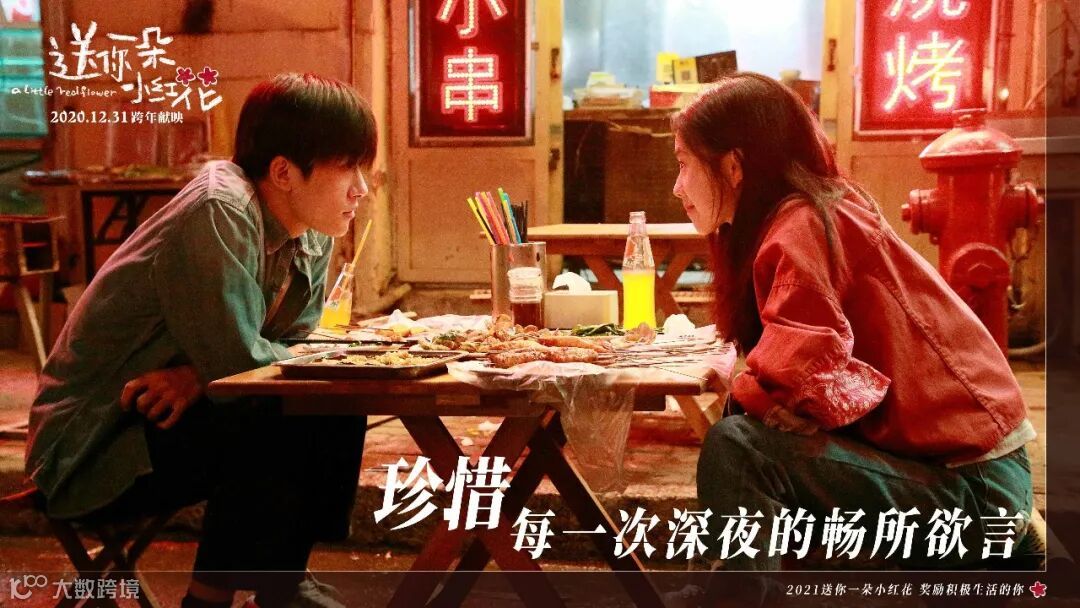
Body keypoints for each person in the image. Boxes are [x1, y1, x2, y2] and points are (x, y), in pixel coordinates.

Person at [25, 72, 378, 608]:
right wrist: (217, 368)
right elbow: (245, 365)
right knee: (274, 411)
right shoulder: (220, 210)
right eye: (346, 168)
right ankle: (210, 599)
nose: (361, 188)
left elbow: (293, 346)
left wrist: (198, 373)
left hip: (181, 415)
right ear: (283, 171)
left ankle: (282, 584)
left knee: (332, 396)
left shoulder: (310, 224)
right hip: (95, 443)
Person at [671, 73, 1036, 575]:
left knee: (738, 447)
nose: (677, 186)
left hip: (978, 495)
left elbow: (800, 369)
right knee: (757, 438)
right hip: (968, 480)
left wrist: (744, 385)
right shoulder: (810, 212)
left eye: (683, 163)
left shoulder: (802, 223)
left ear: (733, 166)